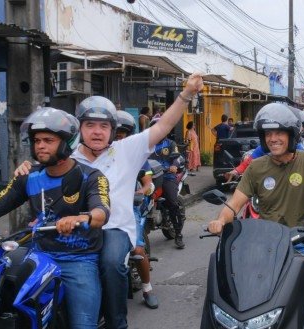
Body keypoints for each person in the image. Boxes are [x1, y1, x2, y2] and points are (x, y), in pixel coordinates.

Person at [14, 73, 203, 329]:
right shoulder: (67, 156)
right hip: (72, 232)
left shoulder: (127, 150)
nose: (97, 132)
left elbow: (163, 126)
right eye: (90, 125)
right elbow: (42, 160)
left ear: (112, 130)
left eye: (103, 126)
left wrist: (186, 94)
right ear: (79, 129)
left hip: (113, 228)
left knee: (112, 264)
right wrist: (26, 167)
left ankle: (117, 323)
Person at [0, 108, 110, 328]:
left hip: (77, 260)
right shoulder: (29, 177)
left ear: (66, 142)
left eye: (48, 140)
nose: (40, 146)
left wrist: (80, 219)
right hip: (38, 256)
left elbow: (101, 212)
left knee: (83, 325)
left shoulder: (90, 176)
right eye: (36, 140)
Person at [208, 103, 304, 329]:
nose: (273, 138)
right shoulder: (257, 167)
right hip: (264, 246)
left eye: (279, 132)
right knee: (244, 304)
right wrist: (221, 220)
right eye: (268, 134)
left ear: (292, 135)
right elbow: (234, 204)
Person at [115, 110, 159, 309]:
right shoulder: (94, 154)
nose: (117, 139)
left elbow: (148, 183)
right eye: (114, 135)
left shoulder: (136, 156)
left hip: (128, 206)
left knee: (137, 248)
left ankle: (147, 288)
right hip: (101, 210)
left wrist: (140, 191)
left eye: (121, 135)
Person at [150, 118, 187, 249]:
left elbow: (177, 157)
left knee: (172, 202)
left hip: (166, 176)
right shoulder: (147, 146)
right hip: (149, 178)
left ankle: (178, 234)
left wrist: (173, 165)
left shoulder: (170, 143)